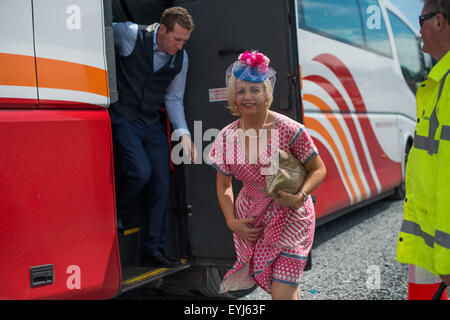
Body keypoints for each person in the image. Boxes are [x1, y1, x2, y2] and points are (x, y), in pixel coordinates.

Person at [208, 51, 326, 300]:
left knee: (281, 291)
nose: (247, 97)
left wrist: (299, 196)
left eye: (254, 90)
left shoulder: (289, 129)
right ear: (233, 97)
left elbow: (319, 169)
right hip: (254, 221)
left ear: (266, 94)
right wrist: (231, 221)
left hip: (293, 216)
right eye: (241, 91)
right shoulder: (226, 137)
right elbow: (223, 184)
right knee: (284, 288)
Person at [110, 7, 196, 268]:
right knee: (140, 172)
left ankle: (154, 249)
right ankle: (116, 214)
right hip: (123, 116)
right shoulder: (129, 34)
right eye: (176, 39)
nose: (180, 46)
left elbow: (173, 98)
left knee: (162, 181)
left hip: (150, 122)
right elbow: (97, 31)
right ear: (162, 29)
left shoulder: (181, 59)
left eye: (184, 41)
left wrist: (184, 134)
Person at [396, 0, 450, 290]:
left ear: (439, 21)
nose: (419, 33)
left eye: (422, 22)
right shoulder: (439, 83)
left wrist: (447, 258)